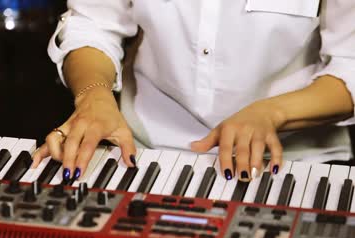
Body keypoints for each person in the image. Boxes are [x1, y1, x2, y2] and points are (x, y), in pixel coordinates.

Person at [32, 1, 355, 183]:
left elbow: (350, 63)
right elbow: (94, 23)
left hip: (293, 163)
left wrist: (274, 112)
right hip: (140, 151)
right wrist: (94, 96)